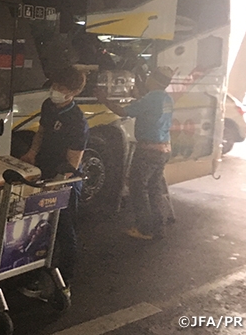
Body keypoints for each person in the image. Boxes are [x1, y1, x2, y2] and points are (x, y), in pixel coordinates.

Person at [20, 66, 89, 294]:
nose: (55, 90)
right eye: (55, 85)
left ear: (74, 92)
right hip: (44, 170)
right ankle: (34, 275)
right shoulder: (48, 106)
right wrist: (32, 153)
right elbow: (41, 131)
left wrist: (55, 187)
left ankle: (65, 282)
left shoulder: (77, 121)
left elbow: (72, 164)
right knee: (38, 227)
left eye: (61, 87)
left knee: (64, 231)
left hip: (64, 182)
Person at [95, 66, 175, 240]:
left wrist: (104, 99)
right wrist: (138, 96)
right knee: (154, 189)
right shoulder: (166, 98)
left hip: (148, 151)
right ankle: (159, 228)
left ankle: (144, 229)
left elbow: (123, 111)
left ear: (153, 79)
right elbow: (150, 109)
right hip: (164, 149)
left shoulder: (150, 98)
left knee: (138, 188)